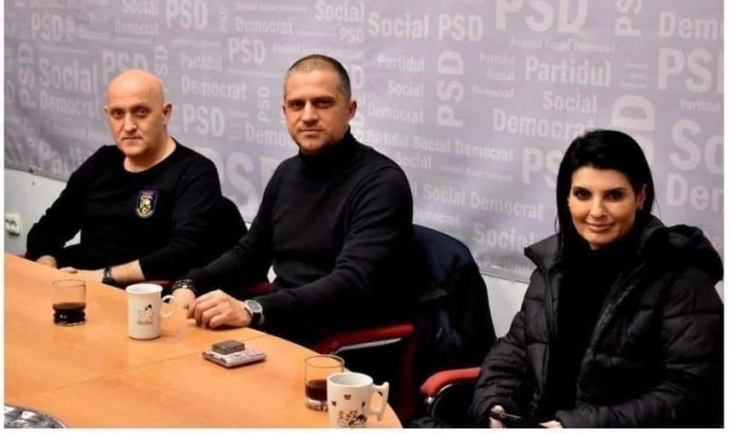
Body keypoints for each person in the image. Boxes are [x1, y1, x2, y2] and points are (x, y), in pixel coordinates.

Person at [470, 129, 723, 428]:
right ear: (567, 198)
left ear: (640, 197)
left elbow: (688, 392)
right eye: (583, 194)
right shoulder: (553, 267)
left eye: (614, 196)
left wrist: (574, 426)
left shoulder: (682, 277)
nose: (596, 211)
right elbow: (512, 352)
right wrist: (495, 406)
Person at [171, 54, 414, 347]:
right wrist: (191, 282)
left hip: (341, 343)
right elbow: (250, 254)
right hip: (282, 327)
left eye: (322, 103)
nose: (308, 116)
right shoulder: (287, 173)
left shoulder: (382, 182)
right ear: (285, 111)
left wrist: (254, 310)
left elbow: (352, 282)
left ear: (350, 110)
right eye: (297, 105)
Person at [25, 69, 225, 287]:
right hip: (79, 284)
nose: (128, 126)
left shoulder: (195, 171)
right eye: (118, 114)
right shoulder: (101, 162)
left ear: (165, 113)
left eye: (141, 112)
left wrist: (101, 277)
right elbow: (47, 230)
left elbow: (184, 253)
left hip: (141, 294)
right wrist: (48, 268)